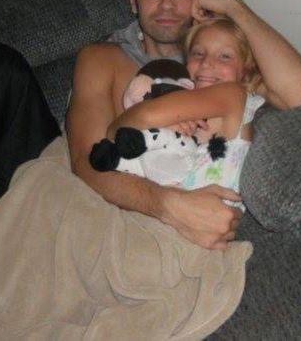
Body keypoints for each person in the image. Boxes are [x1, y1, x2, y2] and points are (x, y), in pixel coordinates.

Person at [66, 0, 301, 250]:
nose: (167, 4)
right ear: (133, 0)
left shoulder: (221, 64)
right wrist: (168, 205)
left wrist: (234, 7)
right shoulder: (101, 58)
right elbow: (87, 161)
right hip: (129, 212)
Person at [95, 18, 265, 208]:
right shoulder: (178, 98)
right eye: (198, 53)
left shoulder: (233, 94)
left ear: (246, 70)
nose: (207, 63)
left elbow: (135, 121)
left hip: (207, 217)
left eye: (225, 56)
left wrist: (152, 120)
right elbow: (116, 134)